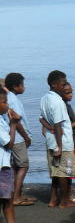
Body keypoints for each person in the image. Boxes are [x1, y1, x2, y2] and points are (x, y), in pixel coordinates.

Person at [40, 70, 75, 208]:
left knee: (56, 170)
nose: (64, 86)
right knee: (64, 172)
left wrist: (51, 128)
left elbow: (41, 119)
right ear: (54, 84)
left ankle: (53, 199)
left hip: (50, 140)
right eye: (62, 84)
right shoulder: (57, 101)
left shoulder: (44, 98)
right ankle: (64, 201)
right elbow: (58, 124)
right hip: (63, 142)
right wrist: (60, 146)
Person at [0, 93, 33, 223]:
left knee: (6, 199)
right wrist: (13, 124)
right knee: (7, 199)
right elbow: (9, 143)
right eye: (4, 102)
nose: (7, 105)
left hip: (4, 164)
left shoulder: (1, 118)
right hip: (2, 166)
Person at [4, 73, 35, 206]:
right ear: (16, 87)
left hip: (14, 138)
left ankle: (18, 194)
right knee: (23, 166)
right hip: (17, 138)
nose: (24, 87)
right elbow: (17, 121)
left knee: (17, 166)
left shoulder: (9, 97)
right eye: (22, 85)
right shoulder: (13, 100)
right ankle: (16, 197)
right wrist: (26, 137)